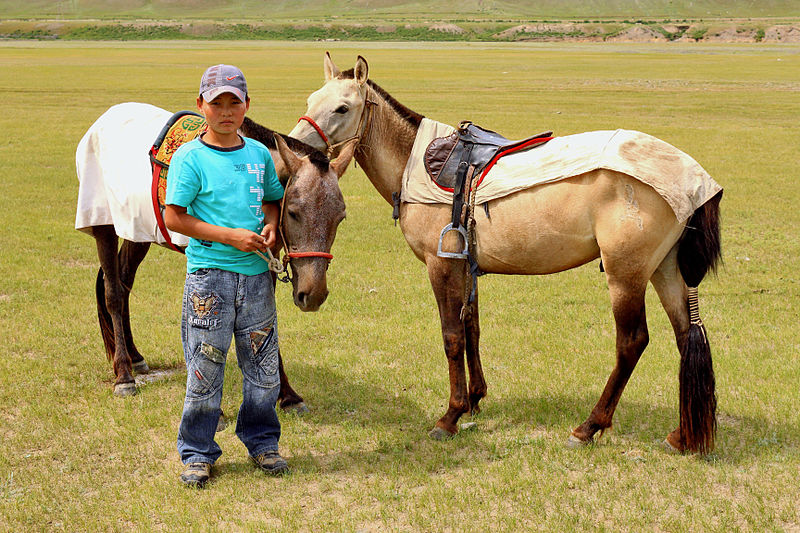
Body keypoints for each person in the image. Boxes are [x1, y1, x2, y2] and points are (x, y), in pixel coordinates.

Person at [164, 64, 288, 488]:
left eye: (234, 102)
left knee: (263, 366)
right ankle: (198, 452)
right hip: (209, 278)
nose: (226, 111)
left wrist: (270, 226)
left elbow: (272, 200)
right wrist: (229, 237)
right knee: (205, 367)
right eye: (217, 103)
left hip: (256, 278)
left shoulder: (257, 154)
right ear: (201, 106)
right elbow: (174, 217)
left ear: (247, 106)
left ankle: (262, 442)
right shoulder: (190, 157)